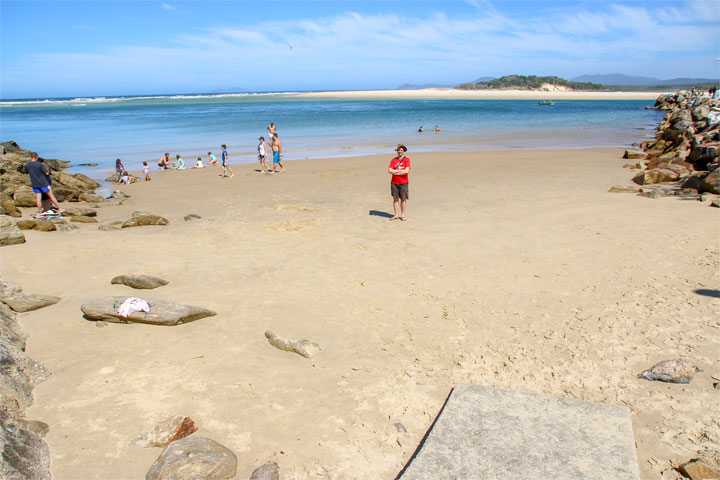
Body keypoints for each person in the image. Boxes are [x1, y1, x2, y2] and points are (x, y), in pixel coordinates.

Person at [388, 144, 410, 221]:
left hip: (404, 182)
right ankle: (396, 215)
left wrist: (395, 172)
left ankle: (403, 215)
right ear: (397, 151)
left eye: (401, 150)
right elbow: (389, 170)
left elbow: (406, 171)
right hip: (394, 182)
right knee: (395, 199)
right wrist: (400, 171)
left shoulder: (407, 160)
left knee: (403, 199)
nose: (400, 151)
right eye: (399, 150)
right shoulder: (393, 160)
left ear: (403, 151)